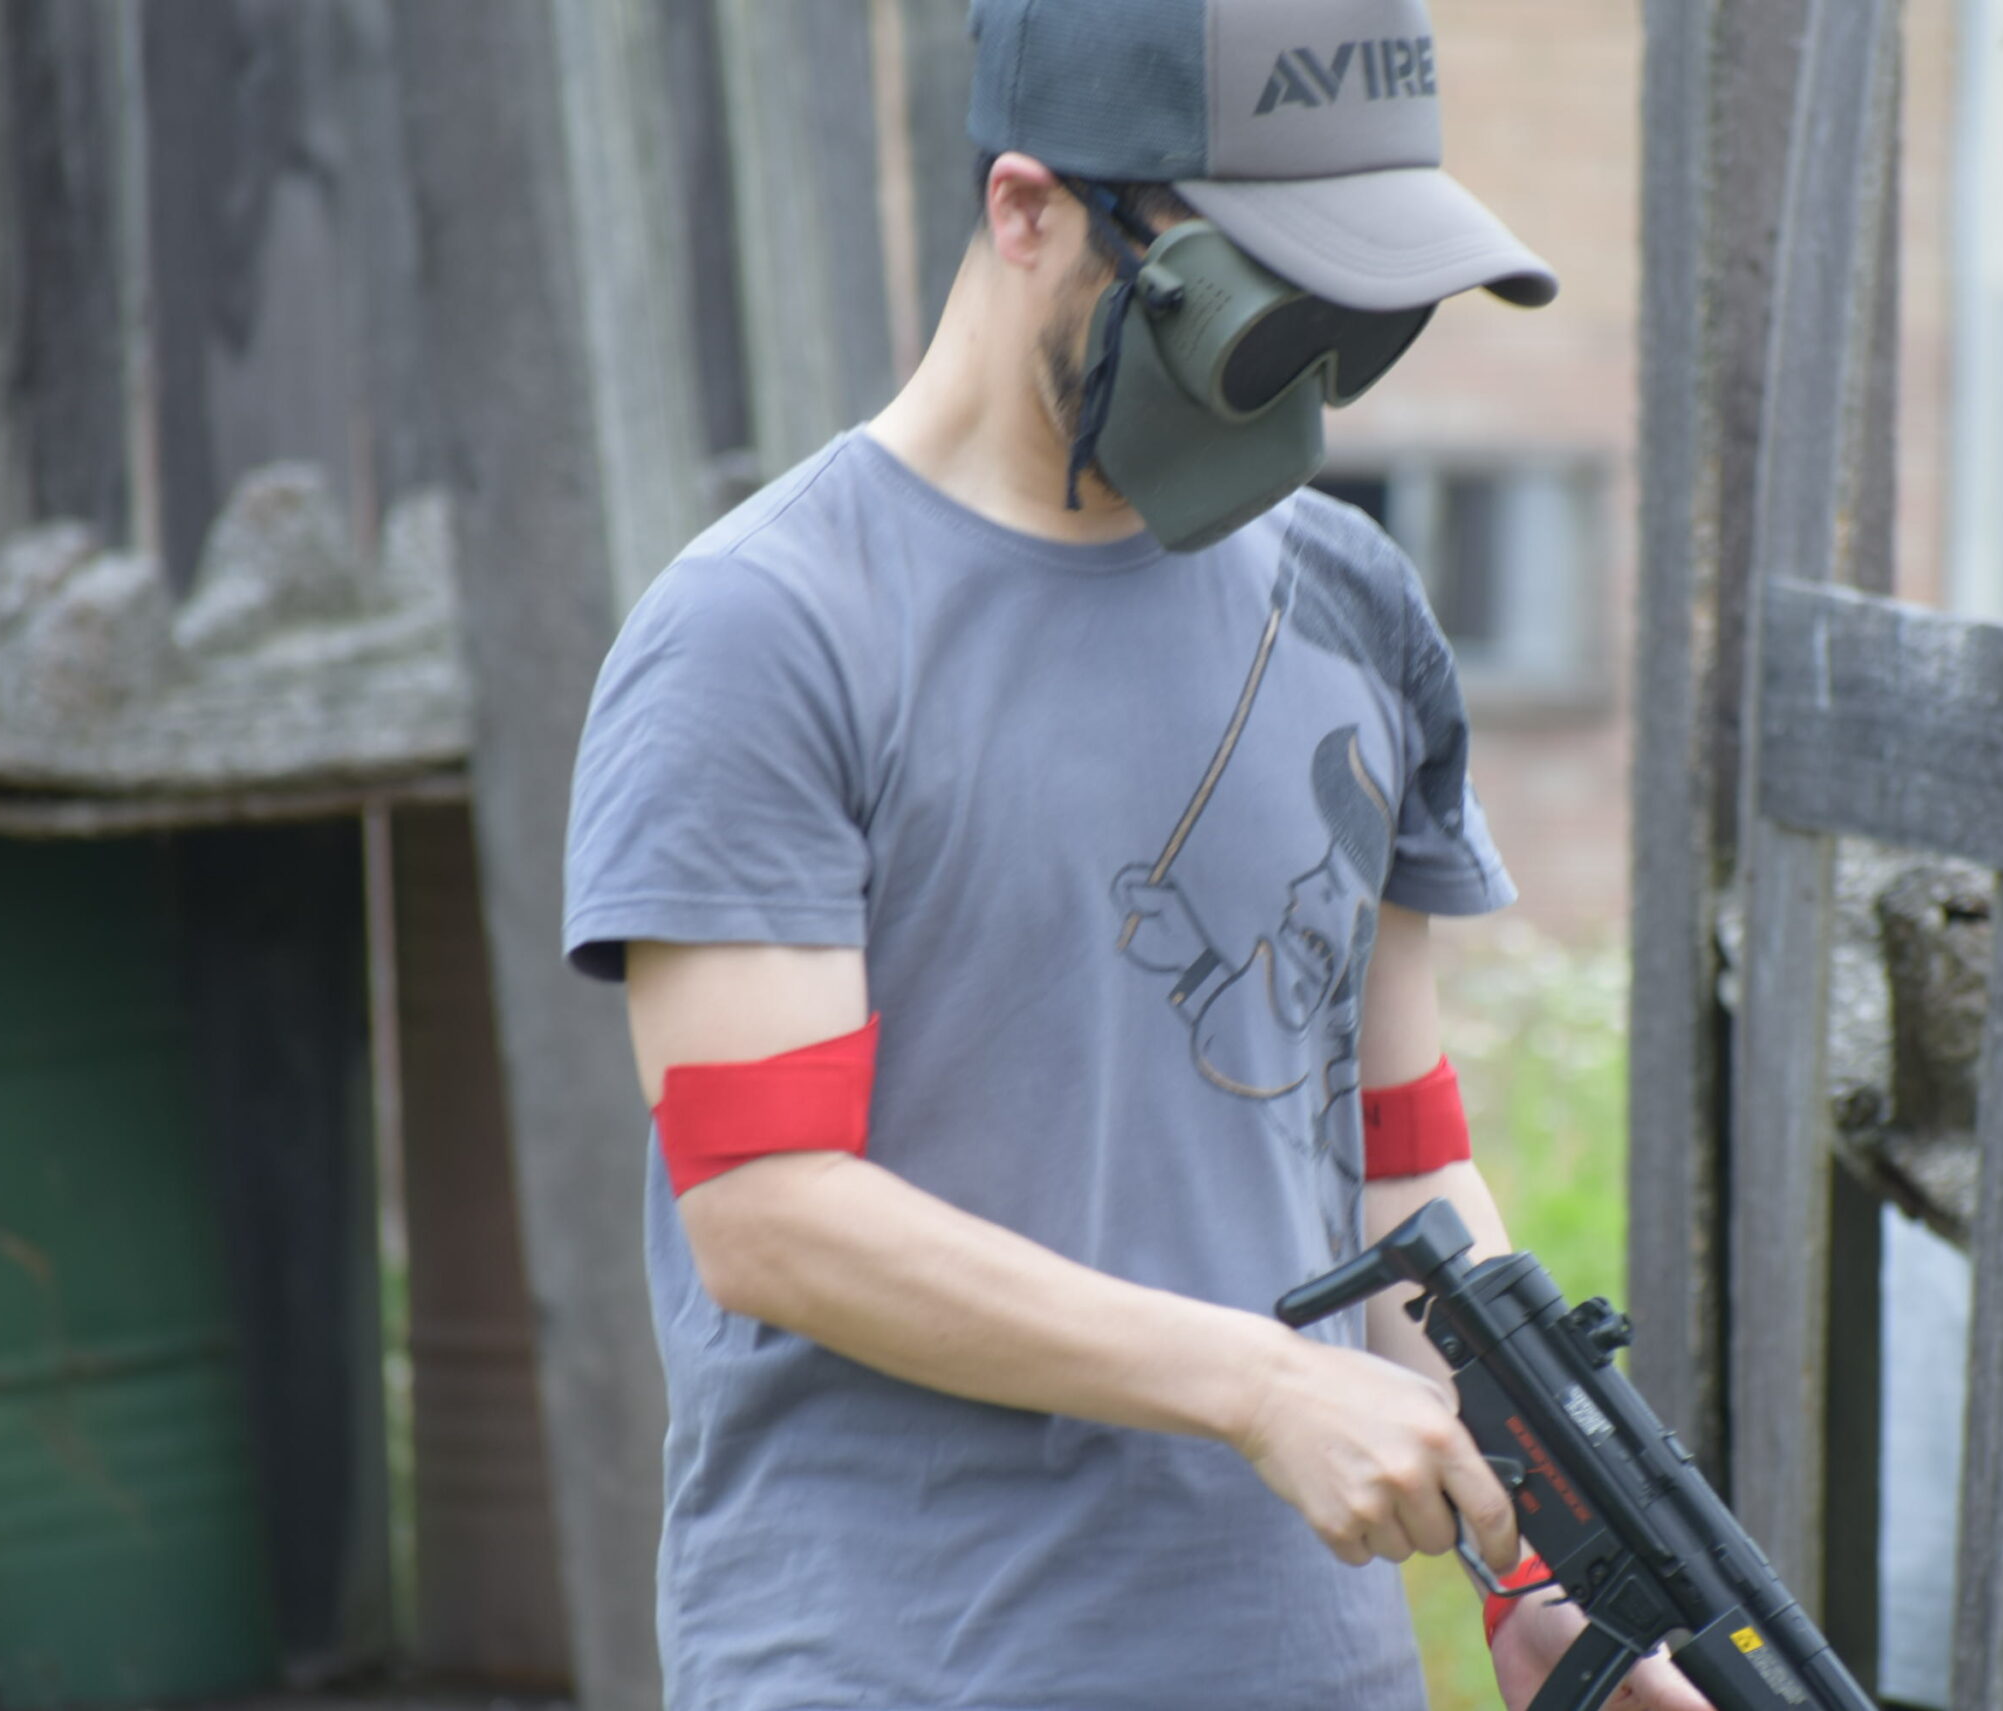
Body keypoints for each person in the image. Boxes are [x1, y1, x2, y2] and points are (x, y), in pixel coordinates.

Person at [562, 2, 1710, 1707]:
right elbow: (770, 1213)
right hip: (906, 1670)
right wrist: (1258, 1385)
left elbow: (1399, 1169)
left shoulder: (1349, 599)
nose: (1309, 362)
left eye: (1357, 311)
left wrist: (1545, 1567)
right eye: (1264, 294)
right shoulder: (771, 631)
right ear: (1029, 211)